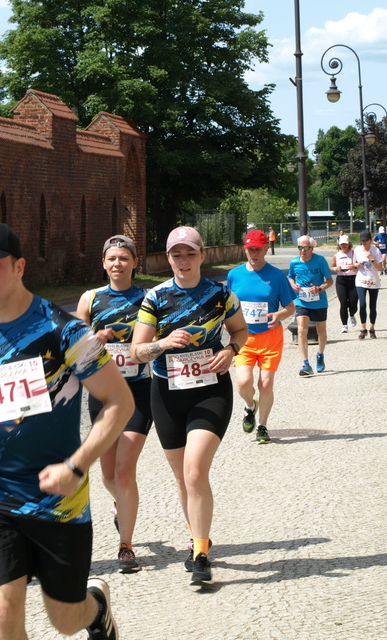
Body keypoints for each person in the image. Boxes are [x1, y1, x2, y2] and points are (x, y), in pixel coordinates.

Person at [0, 222, 133, 640]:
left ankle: (96, 608)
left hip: (58, 499)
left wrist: (76, 466)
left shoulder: (65, 330)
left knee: (66, 621)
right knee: (3, 612)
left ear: (19, 267)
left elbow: (120, 402)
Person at [130, 226, 248, 587]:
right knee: (183, 478)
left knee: (195, 472)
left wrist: (231, 350)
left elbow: (241, 331)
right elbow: (137, 351)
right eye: (176, 255)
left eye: (190, 254)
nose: (184, 261)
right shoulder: (155, 297)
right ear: (168, 259)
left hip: (210, 390)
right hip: (166, 393)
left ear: (202, 256)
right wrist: (163, 343)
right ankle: (197, 536)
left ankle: (200, 554)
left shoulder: (221, 294)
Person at [76, 235, 152, 573]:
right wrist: (95, 339)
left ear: (135, 262)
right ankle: (122, 504)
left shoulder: (148, 299)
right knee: (107, 474)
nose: (117, 264)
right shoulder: (90, 299)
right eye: (112, 258)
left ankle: (126, 546)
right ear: (103, 264)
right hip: (103, 395)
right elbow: (74, 346)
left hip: (138, 393)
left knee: (124, 469)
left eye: (124, 258)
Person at [227, 229, 296, 444]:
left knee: (265, 384)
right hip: (243, 338)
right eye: (250, 250)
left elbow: (290, 307)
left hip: (270, 338)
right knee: (243, 383)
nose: (254, 254)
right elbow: (227, 306)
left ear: (266, 249)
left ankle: (263, 426)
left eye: (258, 249)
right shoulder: (234, 275)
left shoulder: (277, 276)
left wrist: (279, 315)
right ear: (245, 249)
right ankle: (250, 406)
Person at [287, 235, 334, 375]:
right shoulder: (294, 262)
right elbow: (290, 277)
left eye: (306, 248)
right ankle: (305, 363)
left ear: (312, 248)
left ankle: (320, 354)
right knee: (301, 329)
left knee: (321, 330)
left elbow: (330, 281)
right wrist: (293, 285)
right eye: (300, 247)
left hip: (319, 301)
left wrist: (319, 288)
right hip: (301, 301)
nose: (302, 250)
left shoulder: (320, 260)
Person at [353, 230, 383, 339]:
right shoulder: (357, 250)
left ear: (370, 240)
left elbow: (380, 268)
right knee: (362, 304)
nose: (364, 242)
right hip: (361, 281)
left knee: (372, 305)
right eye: (362, 241)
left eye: (366, 240)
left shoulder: (376, 250)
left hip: (373, 281)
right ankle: (363, 329)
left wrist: (372, 259)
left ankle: (372, 328)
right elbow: (354, 263)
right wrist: (356, 265)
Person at [329, 235, 358, 333]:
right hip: (341, 280)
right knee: (343, 302)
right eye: (342, 244)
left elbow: (359, 264)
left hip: (353, 279)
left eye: (345, 244)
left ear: (349, 244)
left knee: (353, 303)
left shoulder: (354, 253)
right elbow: (331, 267)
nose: (343, 246)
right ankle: (344, 325)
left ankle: (352, 314)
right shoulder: (336, 255)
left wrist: (354, 266)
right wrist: (336, 268)